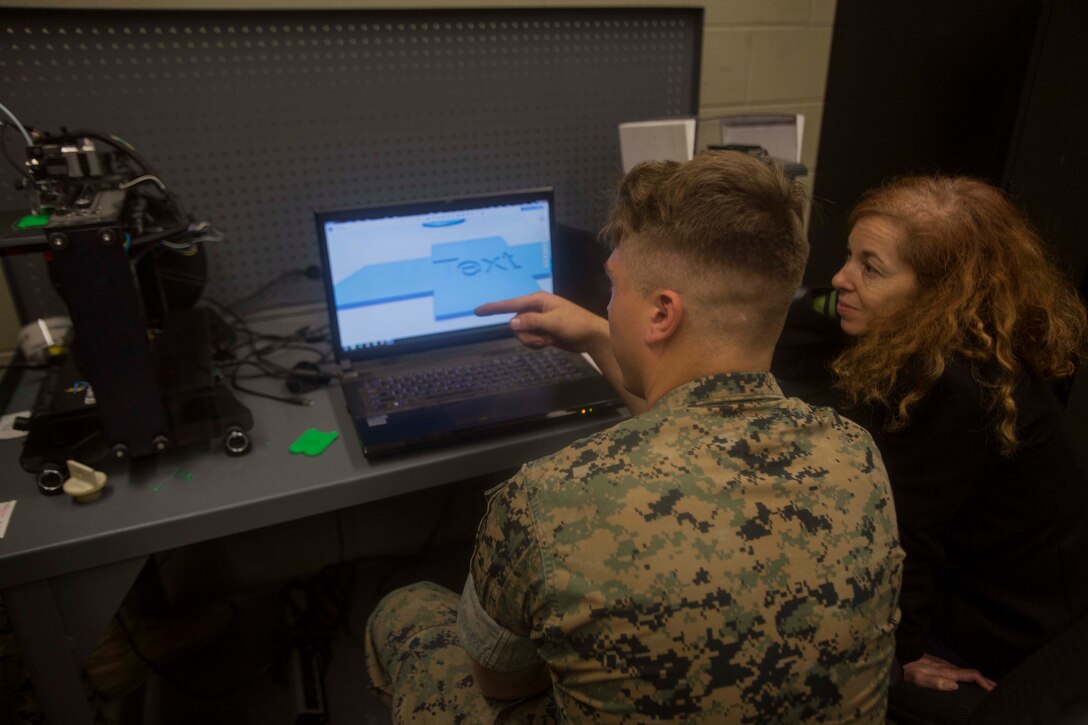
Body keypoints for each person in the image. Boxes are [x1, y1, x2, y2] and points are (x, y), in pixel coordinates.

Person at [365, 151, 904, 722]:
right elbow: (687, 409)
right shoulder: (856, 457)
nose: (607, 303)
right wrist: (601, 336)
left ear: (662, 314)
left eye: (614, 286)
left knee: (407, 612)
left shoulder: (547, 499)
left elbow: (501, 683)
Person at [824, 175, 1088, 721]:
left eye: (870, 268)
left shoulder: (951, 386)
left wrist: (906, 654)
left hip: (1011, 628)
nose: (840, 279)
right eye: (849, 257)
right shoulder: (967, 342)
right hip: (1004, 593)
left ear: (938, 293)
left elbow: (905, 535)